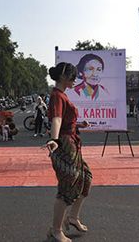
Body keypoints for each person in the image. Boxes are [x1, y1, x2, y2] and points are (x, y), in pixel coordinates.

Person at [44, 62, 92, 242]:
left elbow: (63, 120)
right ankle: (56, 230)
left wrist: (79, 125)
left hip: (72, 142)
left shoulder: (62, 95)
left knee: (86, 179)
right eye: (73, 76)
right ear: (64, 77)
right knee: (66, 187)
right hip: (64, 144)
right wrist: (54, 140)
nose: (75, 80)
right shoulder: (57, 95)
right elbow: (56, 120)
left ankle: (72, 218)